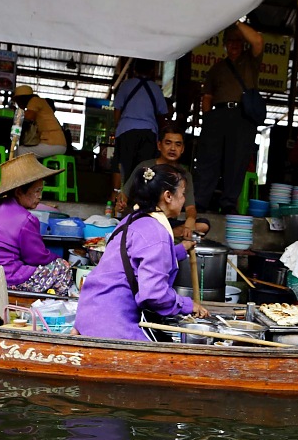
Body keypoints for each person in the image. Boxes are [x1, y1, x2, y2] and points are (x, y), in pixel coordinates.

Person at [74, 164, 209, 341]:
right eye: (182, 193)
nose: (184, 199)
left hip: (88, 315)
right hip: (112, 324)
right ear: (168, 196)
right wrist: (187, 305)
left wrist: (181, 249)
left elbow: (142, 261)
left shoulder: (132, 219)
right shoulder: (156, 233)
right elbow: (154, 294)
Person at [0, 153, 73, 295]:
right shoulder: (26, 220)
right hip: (0, 277)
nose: (40, 196)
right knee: (62, 269)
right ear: (19, 192)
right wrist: (58, 259)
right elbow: (36, 257)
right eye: (37, 191)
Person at [195, 20, 264, 214]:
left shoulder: (251, 61)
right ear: (224, 44)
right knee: (209, 159)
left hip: (243, 116)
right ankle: (201, 201)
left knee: (237, 160)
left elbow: (258, 40)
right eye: (230, 41)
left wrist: (235, 21)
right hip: (218, 115)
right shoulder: (217, 68)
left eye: (237, 40)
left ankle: (228, 203)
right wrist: (207, 120)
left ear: (243, 43)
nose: (233, 44)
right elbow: (207, 96)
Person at [116, 123, 210, 239]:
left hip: (168, 221)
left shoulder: (185, 175)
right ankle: (163, 235)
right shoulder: (145, 166)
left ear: (182, 149)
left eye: (178, 144)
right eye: (168, 143)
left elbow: (190, 207)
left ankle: (158, 235)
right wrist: (121, 202)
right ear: (159, 145)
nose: (172, 148)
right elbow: (124, 194)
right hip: (144, 219)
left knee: (203, 224)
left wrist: (190, 220)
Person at [112, 59, 168, 194]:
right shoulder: (156, 89)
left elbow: (117, 110)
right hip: (149, 133)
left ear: (135, 70)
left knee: (121, 165)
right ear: (152, 71)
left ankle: (116, 193)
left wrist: (117, 126)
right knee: (145, 167)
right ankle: (139, 196)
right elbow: (163, 115)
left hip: (126, 130)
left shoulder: (126, 85)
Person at [12, 85, 67, 159]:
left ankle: (22, 171)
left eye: (17, 101)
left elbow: (28, 117)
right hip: (58, 144)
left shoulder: (34, 101)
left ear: (22, 99)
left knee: (18, 151)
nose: (17, 104)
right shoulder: (41, 102)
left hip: (52, 144)